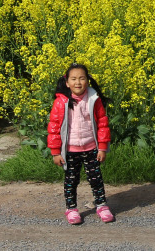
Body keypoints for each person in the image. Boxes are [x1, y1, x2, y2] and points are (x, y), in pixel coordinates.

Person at [47, 63, 114, 225]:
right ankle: (71, 208)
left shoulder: (93, 99)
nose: (78, 82)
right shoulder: (61, 102)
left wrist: (103, 148)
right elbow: (54, 128)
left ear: (88, 81)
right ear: (67, 82)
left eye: (82, 78)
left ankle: (101, 205)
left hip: (91, 147)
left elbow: (103, 124)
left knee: (96, 178)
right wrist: (56, 152)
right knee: (71, 180)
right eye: (74, 79)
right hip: (70, 150)